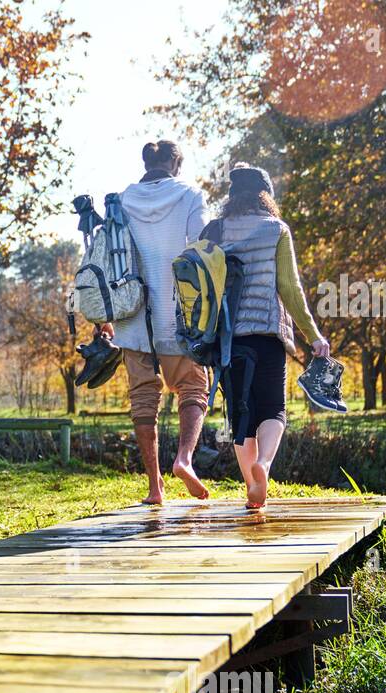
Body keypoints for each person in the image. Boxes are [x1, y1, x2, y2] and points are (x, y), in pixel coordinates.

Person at [201, 164, 331, 509]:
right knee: (273, 408)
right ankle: (265, 466)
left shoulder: (214, 229)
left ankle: (251, 487)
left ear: (232, 196)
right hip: (269, 334)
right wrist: (313, 335)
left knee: (240, 414)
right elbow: (290, 288)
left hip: (228, 339)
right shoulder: (276, 229)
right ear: (265, 195)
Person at [99, 140, 212, 505]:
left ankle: (154, 487)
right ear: (175, 163)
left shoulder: (121, 200)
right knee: (194, 388)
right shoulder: (191, 195)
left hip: (131, 317)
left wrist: (103, 318)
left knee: (143, 398)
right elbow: (202, 247)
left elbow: (106, 257)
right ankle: (184, 459)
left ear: (145, 163)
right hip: (179, 315)